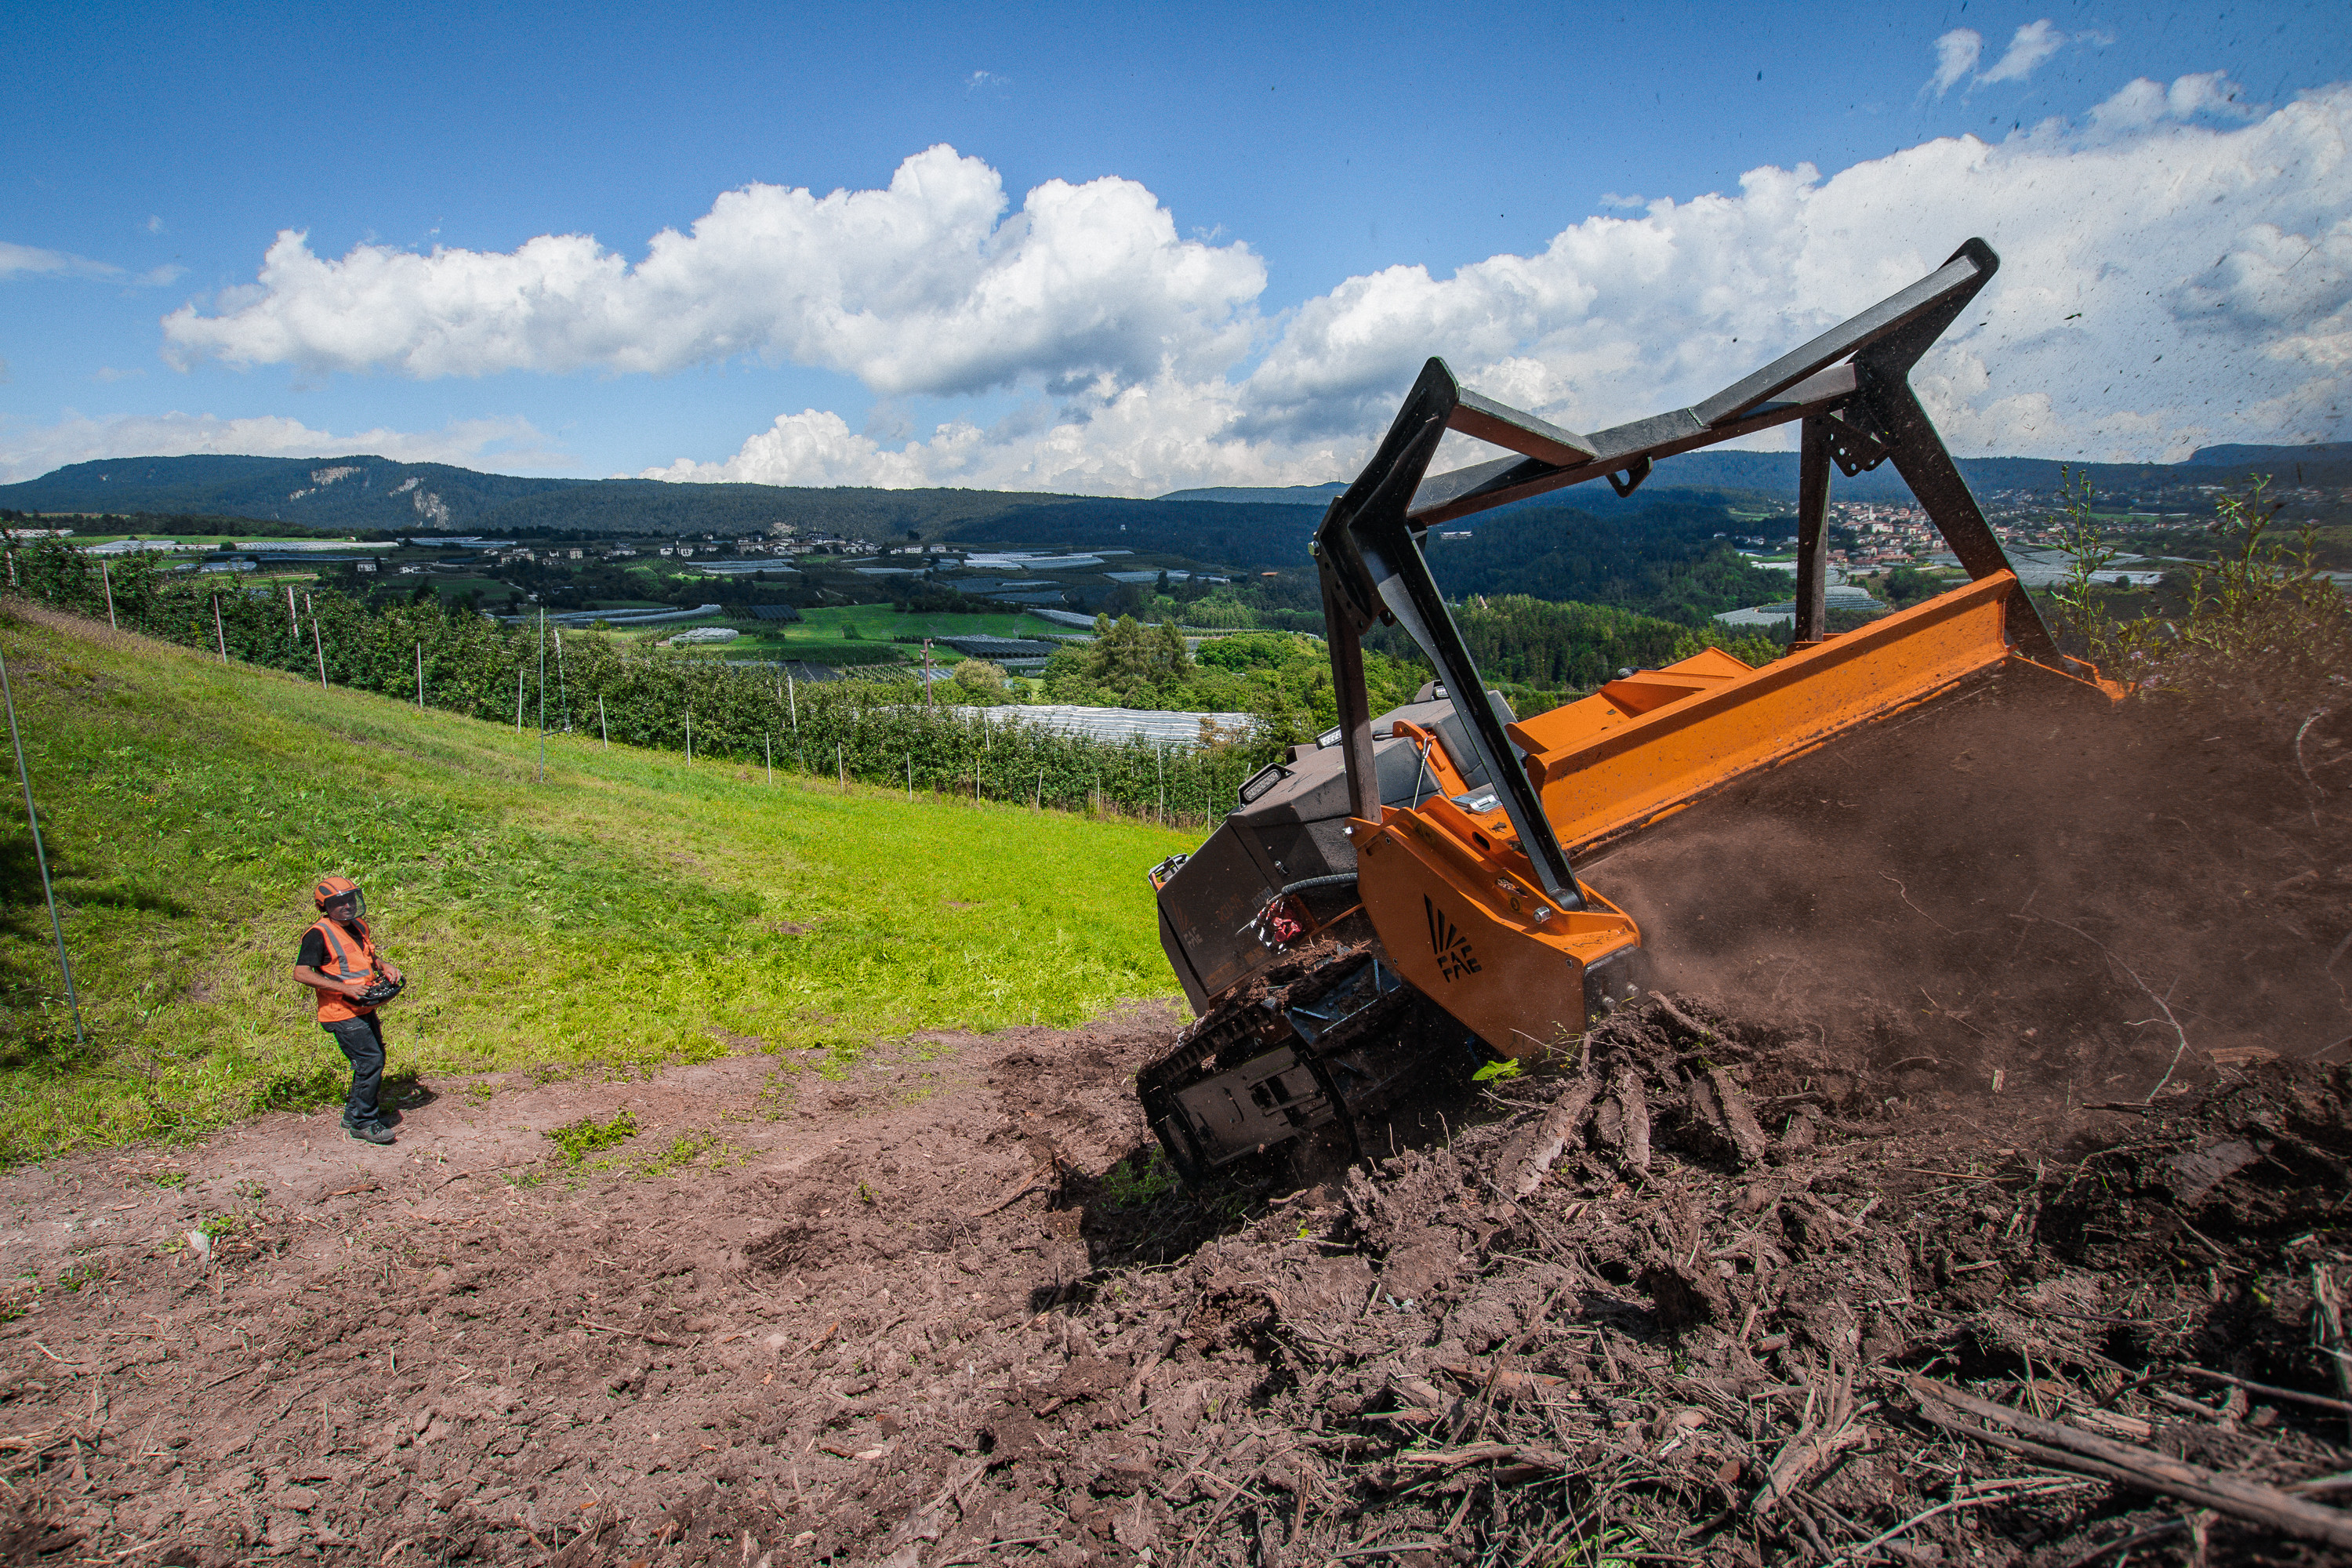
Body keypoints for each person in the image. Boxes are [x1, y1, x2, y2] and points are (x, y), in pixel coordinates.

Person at [291, 876, 406, 1145]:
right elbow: (300, 973)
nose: (346, 906)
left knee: (374, 1058)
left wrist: (383, 965)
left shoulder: (358, 925)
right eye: (338, 903)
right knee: (370, 1061)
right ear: (324, 907)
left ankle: (354, 1114)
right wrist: (343, 989)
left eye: (349, 900)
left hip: (363, 1005)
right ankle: (364, 1123)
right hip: (339, 1011)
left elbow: (366, 956)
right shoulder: (317, 934)